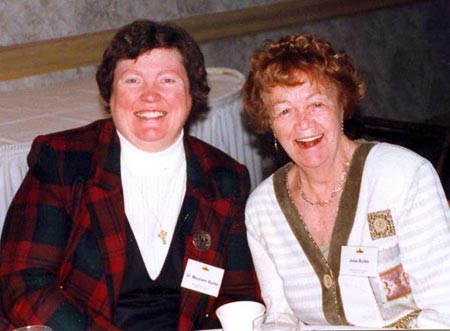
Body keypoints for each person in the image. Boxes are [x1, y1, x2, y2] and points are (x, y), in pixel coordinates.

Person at [0, 19, 260, 331]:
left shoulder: (225, 177)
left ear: (192, 94)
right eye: (132, 81)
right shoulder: (65, 160)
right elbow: (22, 282)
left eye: (167, 80)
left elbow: (237, 295)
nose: (150, 96)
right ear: (109, 95)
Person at [242, 32, 450, 328]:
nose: (303, 123)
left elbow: (444, 310)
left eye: (316, 104)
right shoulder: (262, 209)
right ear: (270, 123)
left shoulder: (404, 176)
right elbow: (281, 315)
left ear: (342, 105)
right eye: (285, 110)